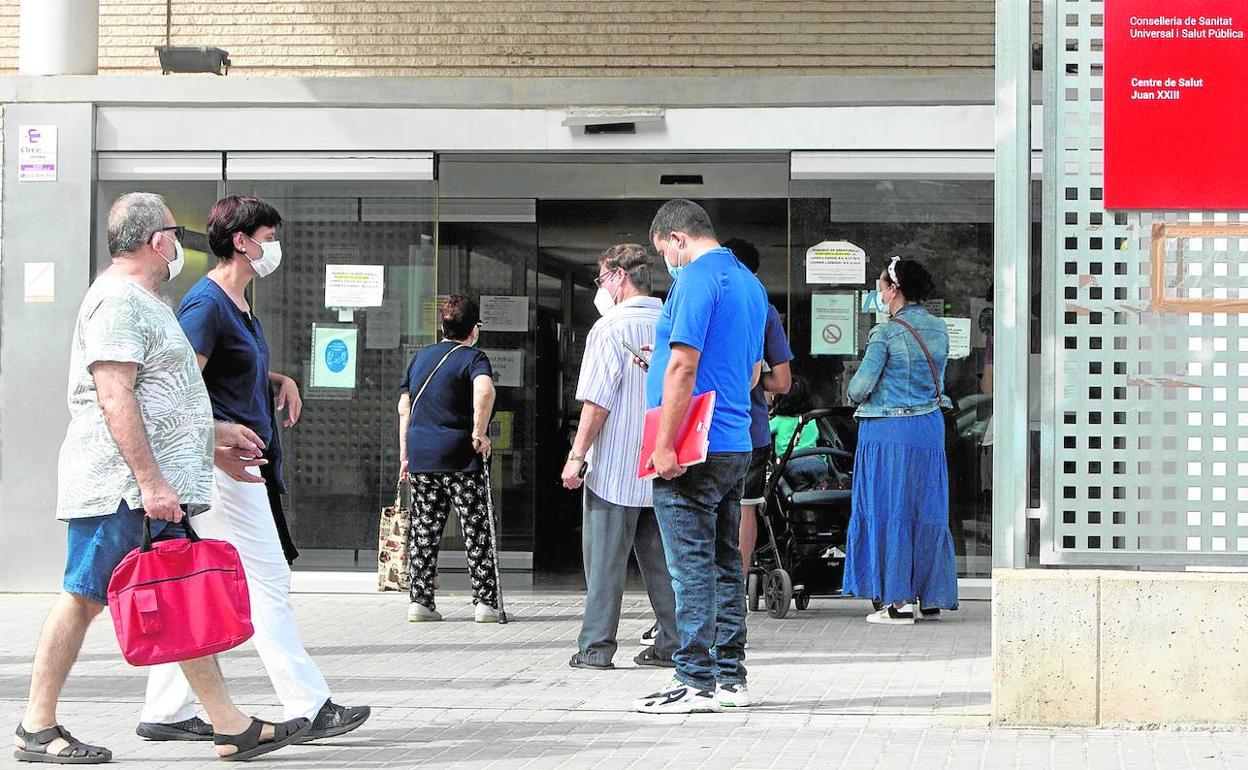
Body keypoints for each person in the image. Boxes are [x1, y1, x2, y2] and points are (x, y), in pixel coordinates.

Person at [15, 192, 310, 764]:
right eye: (176, 234)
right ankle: (36, 725)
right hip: (122, 488)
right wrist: (151, 482)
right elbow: (114, 395)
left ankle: (230, 724)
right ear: (157, 241)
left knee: (178, 597)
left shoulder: (146, 301)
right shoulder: (118, 303)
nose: (180, 245)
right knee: (81, 597)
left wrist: (212, 438)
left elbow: (169, 397)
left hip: (153, 490)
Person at [138, 196, 371, 743]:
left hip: (240, 467)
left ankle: (165, 708)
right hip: (227, 472)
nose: (274, 246)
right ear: (241, 241)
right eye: (269, 235)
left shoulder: (238, 303)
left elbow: (226, 373)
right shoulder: (206, 304)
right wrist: (215, 443)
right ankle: (307, 702)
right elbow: (180, 389)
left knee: (211, 583)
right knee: (267, 578)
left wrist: (276, 380)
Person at [632, 199, 766, 714]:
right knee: (726, 562)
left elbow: (683, 366)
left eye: (664, 249)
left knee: (688, 565)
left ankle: (693, 681)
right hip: (735, 440)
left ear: (677, 238)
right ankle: (732, 678)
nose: (667, 260)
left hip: (691, 445)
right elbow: (754, 371)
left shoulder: (694, 280)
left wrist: (664, 445)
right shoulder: (750, 284)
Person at [560, 244, 678, 670]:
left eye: (601, 280)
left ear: (618, 277)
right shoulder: (671, 320)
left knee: (605, 563)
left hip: (614, 469)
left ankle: (595, 648)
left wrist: (577, 455)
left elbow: (596, 403)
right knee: (663, 562)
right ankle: (673, 643)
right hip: (663, 461)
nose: (600, 289)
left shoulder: (608, 328)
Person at [843, 256, 959, 625]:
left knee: (890, 508)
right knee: (925, 509)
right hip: (928, 429)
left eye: (880, 286)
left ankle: (896, 603)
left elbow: (860, 387)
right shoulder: (939, 329)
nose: (878, 293)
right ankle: (929, 596)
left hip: (888, 433)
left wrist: (851, 395)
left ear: (893, 290)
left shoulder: (886, 333)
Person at [398, 295, 501, 623]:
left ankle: (420, 601)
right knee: (476, 526)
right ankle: (485, 603)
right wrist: (480, 431)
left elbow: (405, 409)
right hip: (460, 455)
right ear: (474, 328)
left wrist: (404, 455)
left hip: (422, 455)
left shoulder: (420, 359)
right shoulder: (474, 358)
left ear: (442, 326)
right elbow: (484, 391)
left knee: (425, 528)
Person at [723, 238, 793, 581]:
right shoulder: (762, 309)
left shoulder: (706, 299)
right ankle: (734, 589)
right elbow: (782, 382)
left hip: (705, 429)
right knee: (745, 510)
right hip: (750, 430)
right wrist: (757, 379)